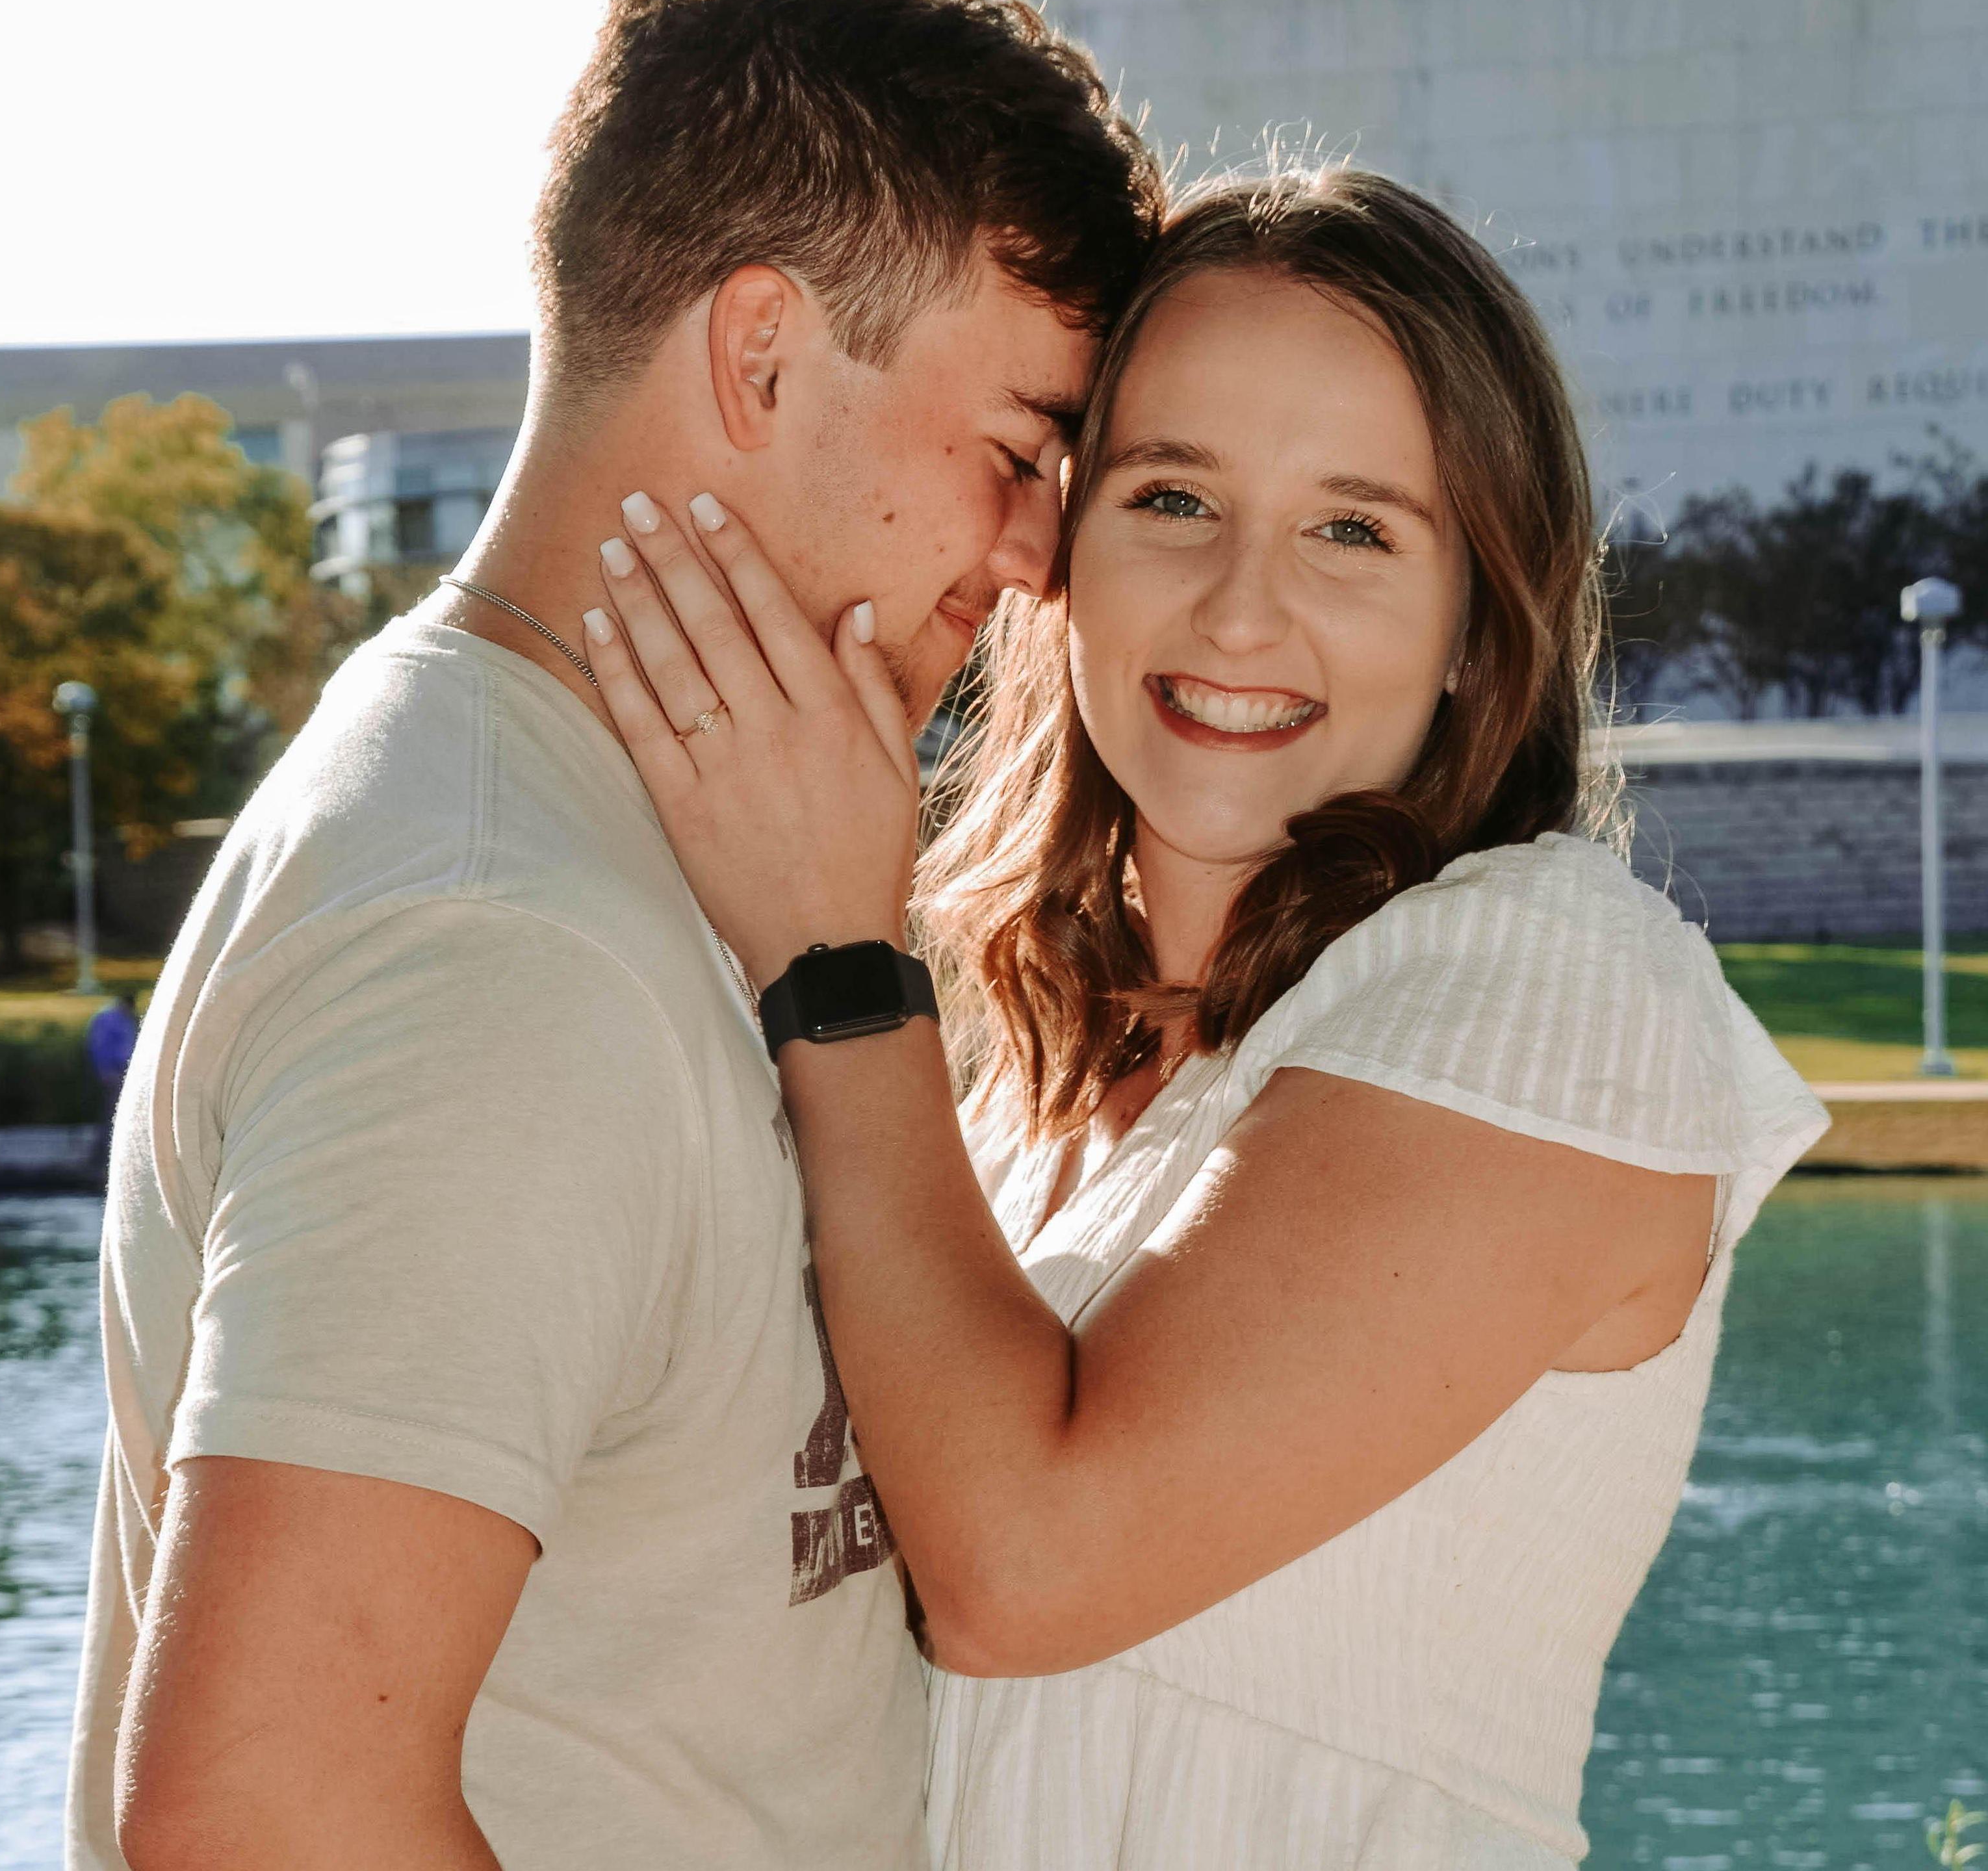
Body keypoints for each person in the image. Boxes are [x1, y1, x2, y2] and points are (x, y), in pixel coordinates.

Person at [71, 0, 1158, 1871]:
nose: (1033, 561)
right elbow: (260, 1812)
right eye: (1016, 448)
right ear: (758, 348)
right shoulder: (503, 943)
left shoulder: (588, 839)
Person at [579, 166, 1831, 1869]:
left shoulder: (1554, 983)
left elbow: (1027, 1562)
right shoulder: (1007, 1103)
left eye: (1351, 528)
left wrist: (830, 950)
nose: (1242, 609)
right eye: (1173, 498)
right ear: (1063, 552)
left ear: (1477, 624)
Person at [84, 989, 137, 1165]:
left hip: (125, 1075)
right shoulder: (109, 1019)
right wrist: (106, 1072)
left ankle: (109, 1156)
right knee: (112, 1116)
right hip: (114, 1074)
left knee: (117, 1114)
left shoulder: (124, 1018)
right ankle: (103, 1158)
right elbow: (100, 1047)